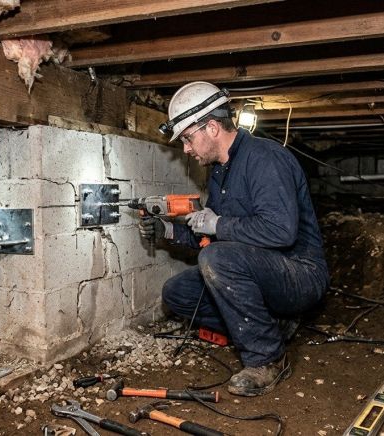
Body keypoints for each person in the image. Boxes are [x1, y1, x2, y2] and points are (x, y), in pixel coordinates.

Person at [141, 82, 329, 396]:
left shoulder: (265, 159)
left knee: (216, 259)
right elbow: (211, 230)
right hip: (261, 271)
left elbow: (280, 231)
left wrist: (219, 225)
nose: (186, 149)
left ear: (212, 127)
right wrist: (169, 231)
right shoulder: (220, 171)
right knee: (177, 293)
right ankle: (271, 329)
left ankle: (268, 358)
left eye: (188, 138)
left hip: (300, 274)